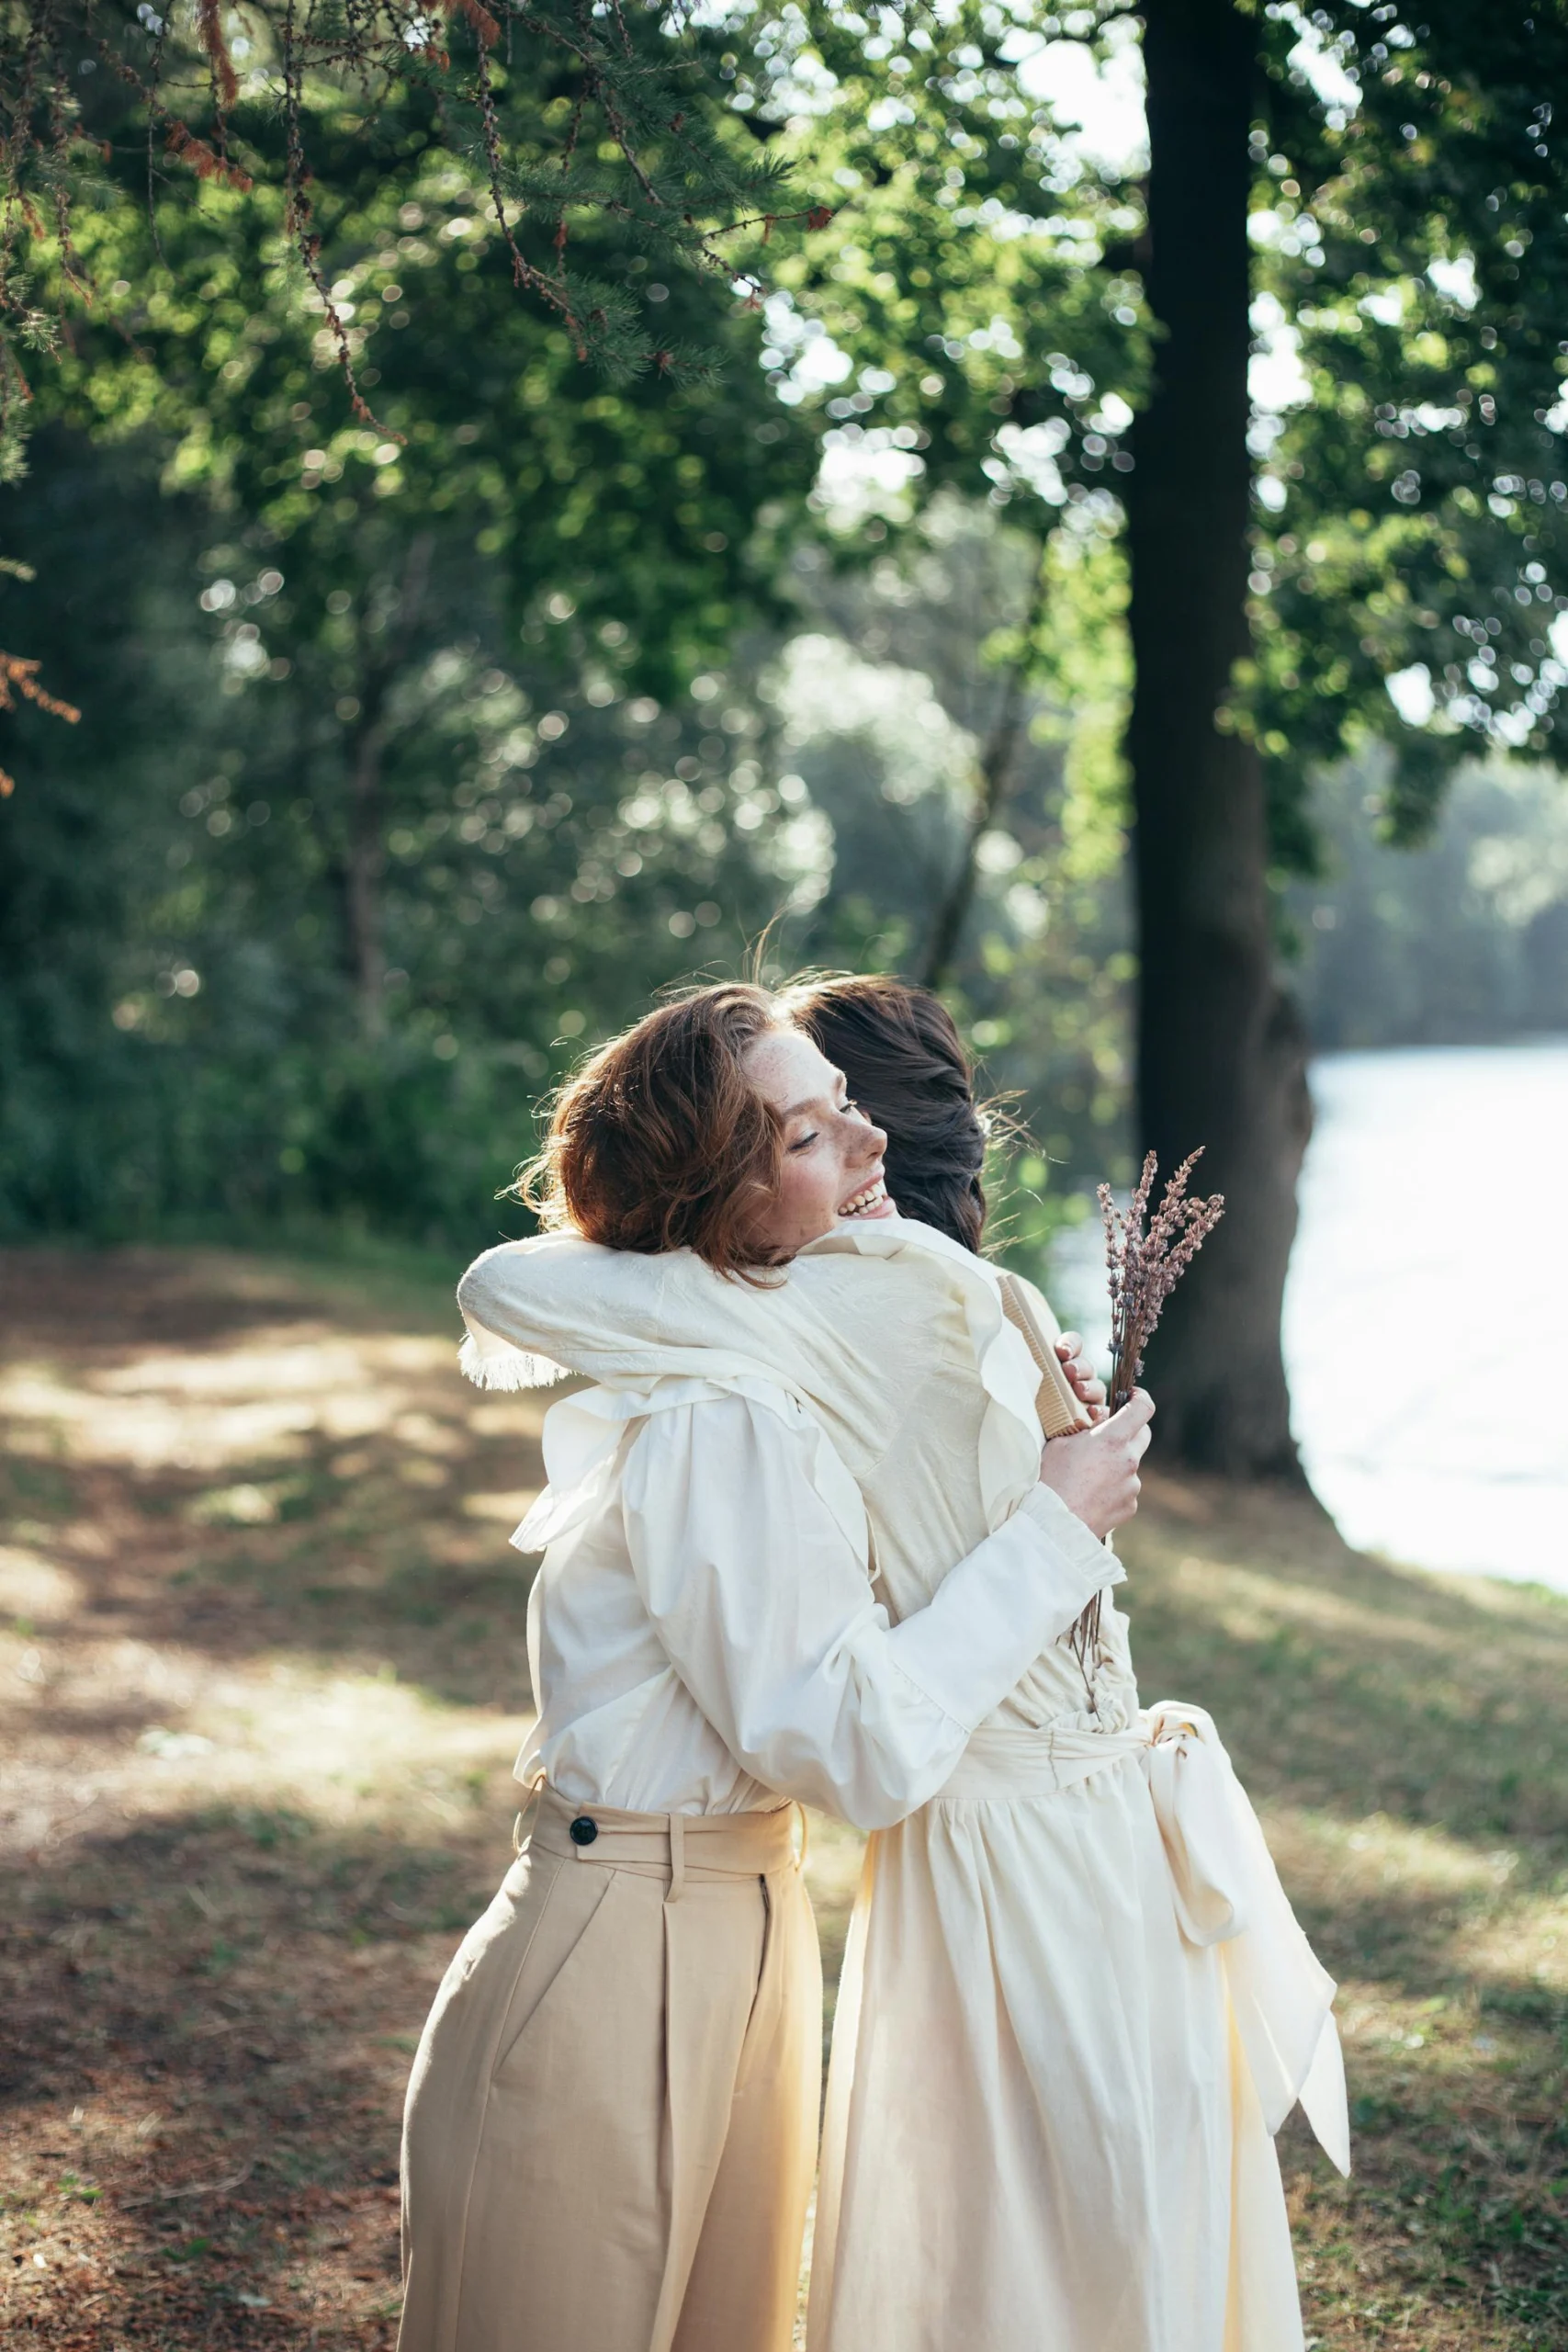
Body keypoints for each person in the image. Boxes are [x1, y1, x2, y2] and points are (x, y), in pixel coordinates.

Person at [397, 981, 1154, 2352]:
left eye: (848, 1109)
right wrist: (1050, 1531)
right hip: (622, 1937)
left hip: (742, 1917)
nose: (867, 1149)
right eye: (808, 1136)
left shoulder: (775, 1366)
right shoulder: (719, 1412)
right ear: (720, 1204)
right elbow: (852, 1745)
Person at [786, 973, 1349, 2352]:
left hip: (1036, 1835)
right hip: (1040, 1839)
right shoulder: (950, 1302)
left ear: (866, 1131)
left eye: (806, 1115)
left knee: (1007, 2250)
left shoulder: (929, 1310)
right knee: (1104, 2232)